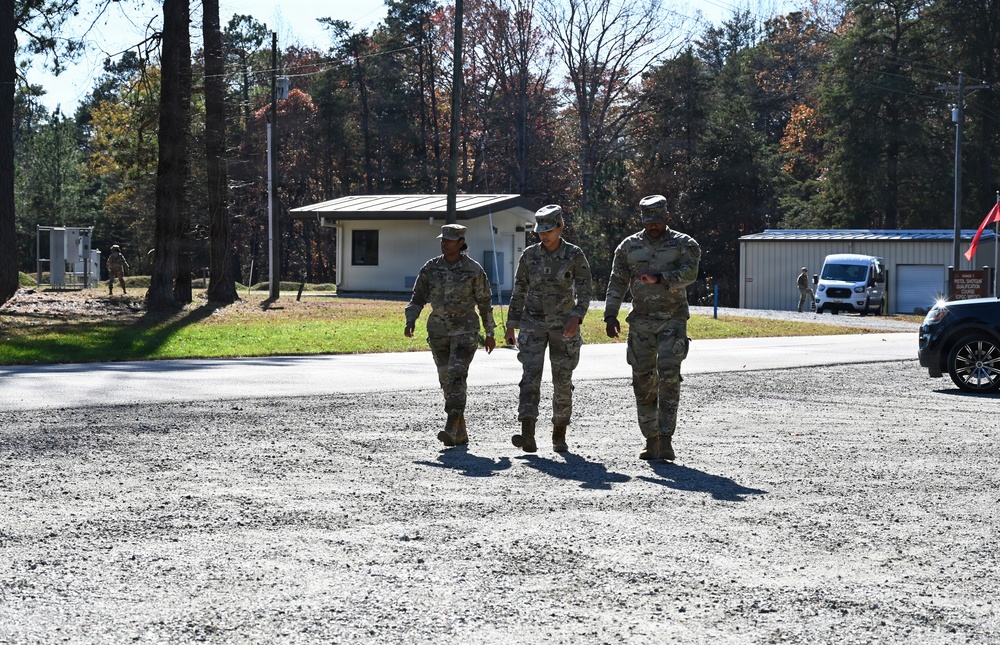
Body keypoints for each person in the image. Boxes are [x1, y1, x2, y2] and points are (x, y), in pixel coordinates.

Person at [604, 195, 701, 461]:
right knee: (643, 380)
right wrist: (610, 314)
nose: (653, 226)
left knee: (669, 376)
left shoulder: (684, 244)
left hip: (672, 320)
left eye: (657, 221)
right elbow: (617, 281)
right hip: (642, 322)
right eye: (649, 222)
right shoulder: (629, 247)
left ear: (667, 218)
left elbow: (690, 274)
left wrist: (660, 278)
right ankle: (651, 439)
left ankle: (666, 439)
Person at [506, 205, 593, 453]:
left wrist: (577, 316)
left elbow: (586, 290)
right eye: (540, 231)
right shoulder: (529, 255)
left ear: (560, 228)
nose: (544, 235)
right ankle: (527, 434)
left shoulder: (574, 255)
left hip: (563, 326)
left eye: (549, 230)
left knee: (562, 382)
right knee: (529, 379)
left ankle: (559, 433)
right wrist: (512, 325)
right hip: (532, 324)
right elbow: (519, 290)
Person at [405, 224, 497, 447]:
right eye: (442, 240)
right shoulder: (431, 267)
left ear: (461, 242)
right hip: (438, 331)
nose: (444, 243)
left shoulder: (474, 270)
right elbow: (418, 296)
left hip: (465, 331)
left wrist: (490, 332)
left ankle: (450, 425)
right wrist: (411, 320)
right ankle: (460, 431)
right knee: (446, 380)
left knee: (456, 375)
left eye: (449, 240)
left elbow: (485, 303)